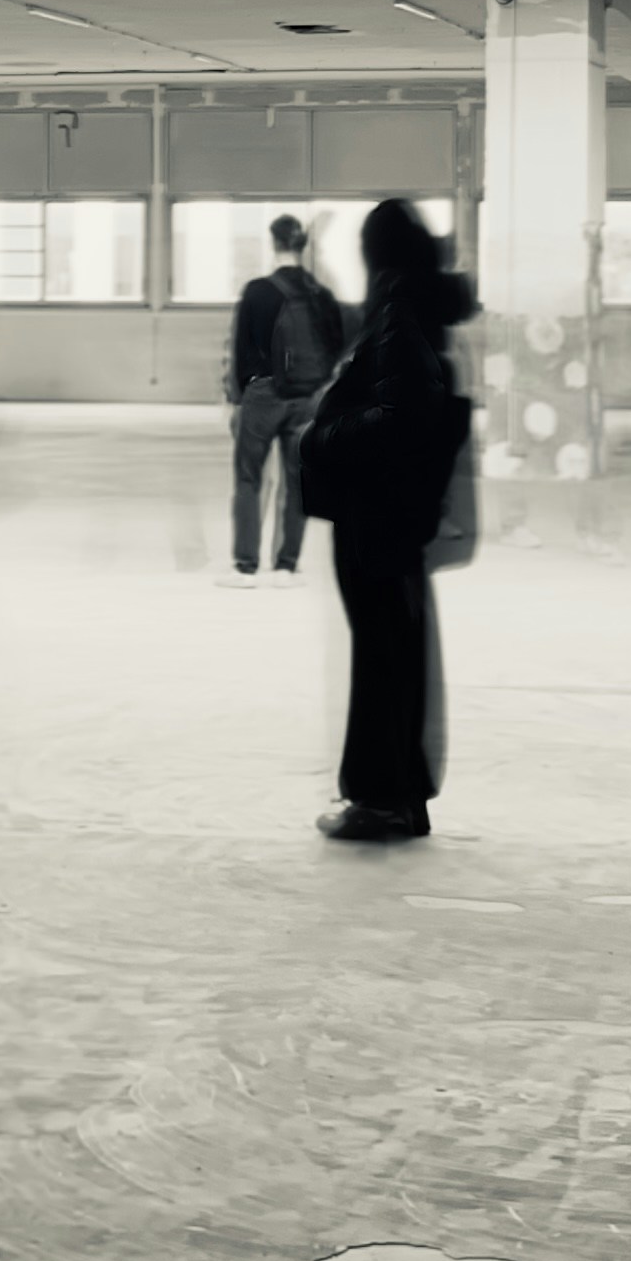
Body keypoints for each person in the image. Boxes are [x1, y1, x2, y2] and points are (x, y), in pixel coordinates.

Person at [301, 199, 475, 844]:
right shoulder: (417, 311)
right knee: (394, 652)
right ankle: (401, 794)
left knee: (381, 657)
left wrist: (323, 436)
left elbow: (402, 420)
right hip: (393, 514)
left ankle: (379, 800)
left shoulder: (399, 316)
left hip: (377, 515)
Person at [220, 212, 345, 587]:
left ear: (273, 243)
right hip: (306, 398)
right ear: (302, 247)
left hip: (262, 395)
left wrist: (235, 398)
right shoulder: (321, 294)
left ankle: (245, 568)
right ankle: (286, 567)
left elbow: (240, 349)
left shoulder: (256, 291)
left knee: (249, 479)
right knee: (297, 482)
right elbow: (337, 347)